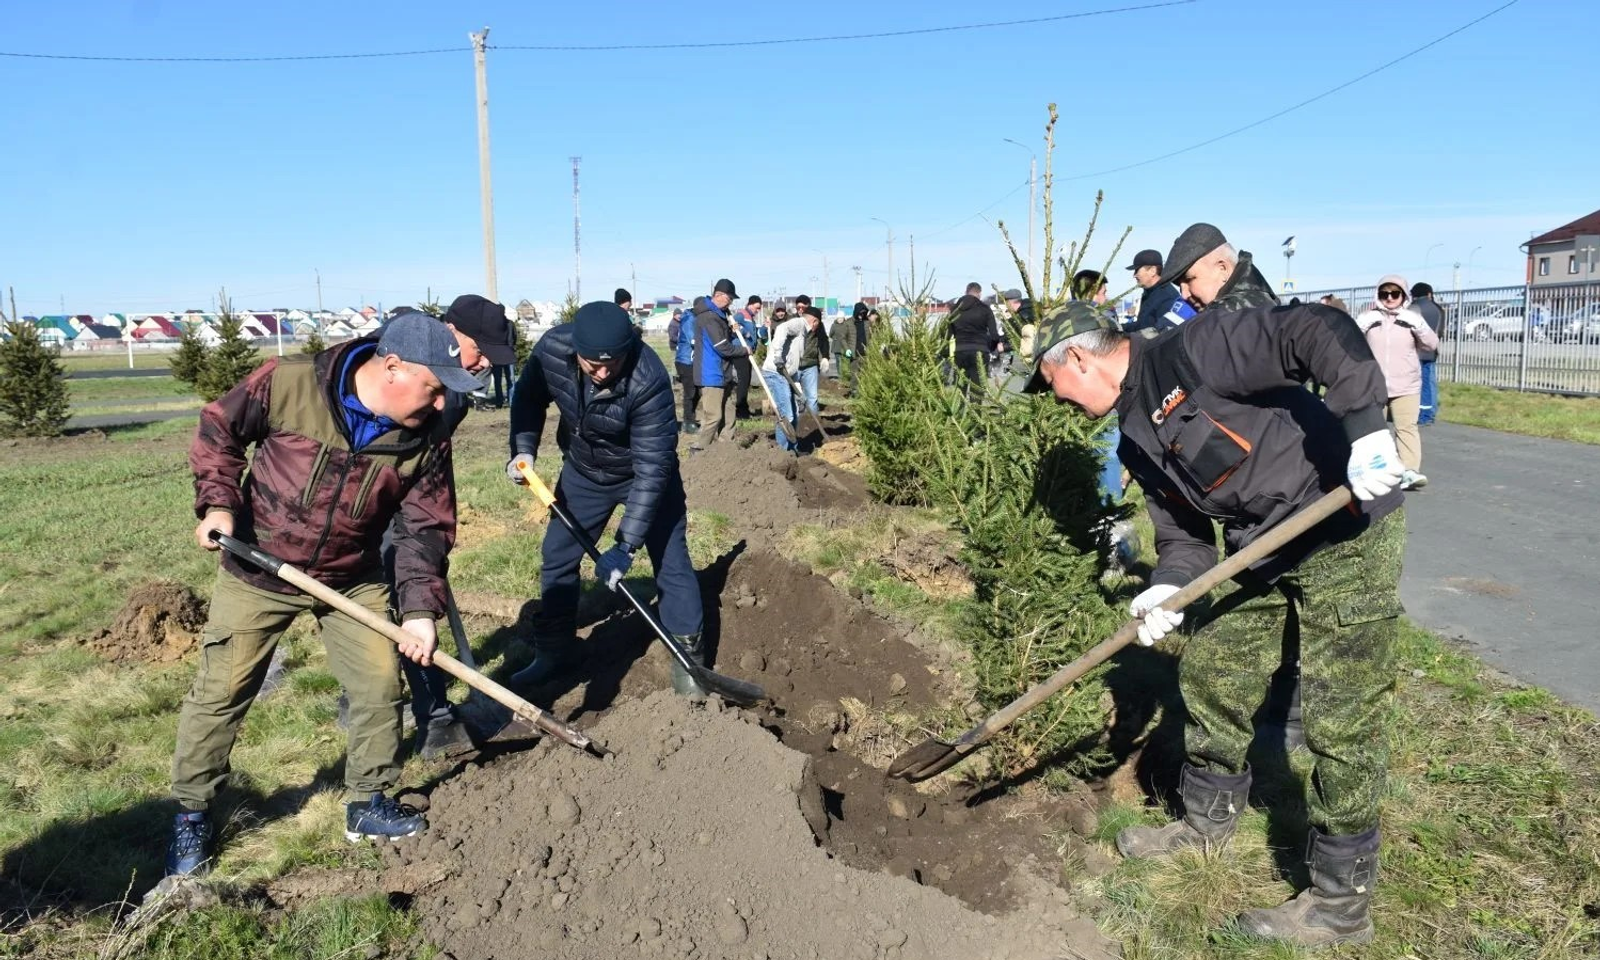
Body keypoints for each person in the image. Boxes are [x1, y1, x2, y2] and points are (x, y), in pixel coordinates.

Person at [1026, 297, 1406, 948]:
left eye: (1048, 380)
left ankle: (1341, 902)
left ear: (1079, 358)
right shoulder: (1136, 437)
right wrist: (1166, 588)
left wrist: (1367, 428)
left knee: (1342, 713)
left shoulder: (1195, 351)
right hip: (1267, 544)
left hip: (1342, 529)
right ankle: (1208, 823)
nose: (1049, 397)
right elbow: (1185, 538)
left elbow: (1316, 328)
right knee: (1213, 666)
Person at [168, 313, 482, 878]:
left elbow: (425, 527)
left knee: (379, 686)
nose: (440, 406)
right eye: (435, 389)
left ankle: (368, 801)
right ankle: (191, 812)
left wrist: (418, 611)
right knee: (222, 691)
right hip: (259, 568)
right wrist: (218, 503)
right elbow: (219, 429)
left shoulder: (428, 436)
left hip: (350, 575)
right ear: (392, 368)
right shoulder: (288, 384)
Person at [505, 302, 707, 697]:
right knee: (558, 556)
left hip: (645, 476)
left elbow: (652, 470)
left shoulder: (647, 378)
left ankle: (691, 661)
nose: (600, 373)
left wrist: (626, 546)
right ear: (574, 349)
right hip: (583, 470)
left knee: (671, 561)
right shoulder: (551, 350)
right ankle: (555, 649)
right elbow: (527, 396)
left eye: (610, 364)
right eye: (590, 364)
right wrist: (524, 448)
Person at [1357, 276, 1438, 490]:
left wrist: (1419, 326)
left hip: (1407, 386)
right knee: (1374, 432)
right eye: (1385, 294)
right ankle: (1377, 471)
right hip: (1375, 386)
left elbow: (1431, 344)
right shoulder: (1369, 318)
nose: (1390, 298)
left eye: (1395, 293)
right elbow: (1350, 346)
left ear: (1403, 295)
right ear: (1378, 295)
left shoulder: (1411, 318)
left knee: (1406, 428)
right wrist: (1358, 329)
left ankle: (1410, 471)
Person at [1160, 222, 1279, 314]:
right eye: (1179, 286)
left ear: (1222, 269)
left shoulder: (1238, 318)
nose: (1184, 295)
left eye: (1189, 279)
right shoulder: (1257, 306)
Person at [690, 279, 749, 448]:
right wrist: (744, 351)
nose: (730, 302)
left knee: (729, 415)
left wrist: (731, 332)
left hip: (723, 372)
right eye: (729, 298)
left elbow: (721, 340)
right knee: (713, 416)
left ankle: (724, 449)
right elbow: (721, 347)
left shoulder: (718, 315)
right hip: (711, 374)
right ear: (719, 295)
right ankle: (699, 449)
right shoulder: (709, 317)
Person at [763, 307, 823, 451]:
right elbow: (782, 328)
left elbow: (792, 365)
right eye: (818, 324)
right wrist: (777, 354)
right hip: (776, 373)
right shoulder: (800, 323)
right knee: (787, 415)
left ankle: (792, 449)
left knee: (794, 415)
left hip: (786, 375)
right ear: (814, 321)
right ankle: (781, 452)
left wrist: (799, 391)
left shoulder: (802, 334)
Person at [1125, 249, 1197, 332]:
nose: (1134, 275)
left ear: (1152, 271)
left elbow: (1160, 334)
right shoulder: (1149, 293)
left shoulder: (1166, 297)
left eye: (1137, 270)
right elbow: (1141, 326)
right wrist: (1118, 328)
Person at [947, 281, 997, 392]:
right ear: (979, 293)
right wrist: (990, 348)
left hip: (960, 351)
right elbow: (994, 336)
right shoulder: (985, 309)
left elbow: (947, 335)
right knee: (978, 390)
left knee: (960, 389)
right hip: (980, 351)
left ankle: (960, 409)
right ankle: (976, 409)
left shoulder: (955, 310)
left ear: (966, 292)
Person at [1409, 282, 1444, 425]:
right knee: (1429, 382)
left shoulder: (1412, 308)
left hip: (1416, 351)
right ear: (1428, 294)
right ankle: (1430, 412)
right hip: (1431, 351)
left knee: (1418, 385)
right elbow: (1440, 331)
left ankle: (1422, 415)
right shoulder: (1437, 309)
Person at [669, 304, 699, 434]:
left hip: (691, 361)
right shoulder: (689, 320)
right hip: (685, 361)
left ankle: (691, 419)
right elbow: (693, 340)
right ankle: (688, 422)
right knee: (690, 392)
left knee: (696, 392)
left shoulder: (693, 319)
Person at [733, 295, 763, 418]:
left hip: (747, 353)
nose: (758, 310)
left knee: (746, 381)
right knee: (743, 381)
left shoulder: (750, 317)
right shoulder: (742, 314)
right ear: (750, 304)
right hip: (740, 352)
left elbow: (757, 334)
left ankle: (743, 408)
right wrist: (744, 332)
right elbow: (732, 324)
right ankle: (740, 411)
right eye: (757, 307)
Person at [831, 305, 862, 387]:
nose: (840, 319)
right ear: (837, 318)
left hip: (845, 347)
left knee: (845, 362)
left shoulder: (846, 324)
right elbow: (830, 334)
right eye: (839, 318)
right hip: (836, 346)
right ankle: (840, 375)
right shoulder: (834, 325)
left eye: (841, 318)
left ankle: (846, 376)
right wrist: (835, 338)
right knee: (838, 361)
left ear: (843, 318)